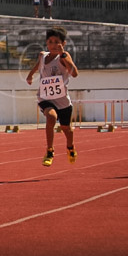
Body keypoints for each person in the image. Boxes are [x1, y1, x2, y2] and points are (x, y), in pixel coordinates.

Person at [26, 26, 79, 166]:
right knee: (51, 117)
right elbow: (39, 65)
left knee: (66, 128)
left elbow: (74, 73)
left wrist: (63, 56)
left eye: (57, 42)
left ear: (63, 43)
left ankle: (70, 146)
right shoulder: (43, 55)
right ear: (46, 42)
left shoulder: (64, 56)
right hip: (45, 97)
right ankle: (49, 150)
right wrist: (30, 75)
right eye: (50, 41)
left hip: (62, 100)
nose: (53, 45)